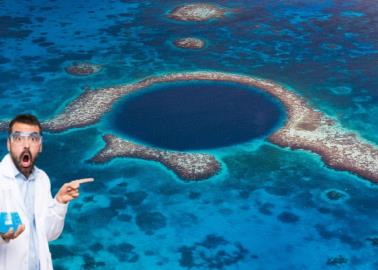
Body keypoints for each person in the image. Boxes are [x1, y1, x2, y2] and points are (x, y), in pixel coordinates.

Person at [0, 114, 93, 270]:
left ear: (40, 145)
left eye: (33, 138)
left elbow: (49, 234)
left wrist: (59, 203)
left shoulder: (42, 179)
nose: (26, 145)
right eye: (18, 138)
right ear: (9, 144)